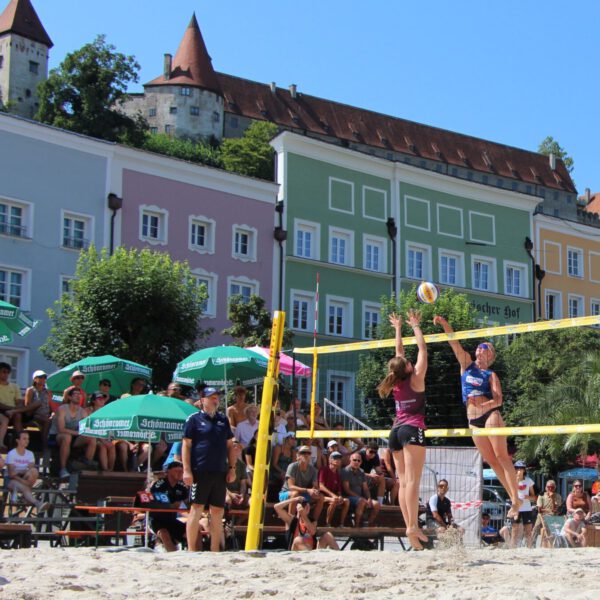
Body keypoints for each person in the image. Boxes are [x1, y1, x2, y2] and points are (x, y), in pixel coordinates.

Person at [433, 315, 521, 519]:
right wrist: (446, 324)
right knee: (491, 461)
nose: (480, 349)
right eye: (479, 346)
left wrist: (485, 407)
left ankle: (516, 499)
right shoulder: (467, 365)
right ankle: (513, 498)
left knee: (502, 457)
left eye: (485, 347)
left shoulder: (491, 375)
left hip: (491, 415)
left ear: (491, 356)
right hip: (473, 421)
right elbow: (454, 343)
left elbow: (498, 400)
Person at [377, 310, 428, 549]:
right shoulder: (415, 378)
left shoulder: (396, 379)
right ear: (407, 368)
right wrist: (416, 326)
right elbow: (422, 351)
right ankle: (412, 527)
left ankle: (411, 528)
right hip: (411, 429)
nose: (409, 361)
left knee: (403, 481)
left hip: (395, 432)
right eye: (408, 363)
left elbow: (399, 353)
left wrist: (398, 328)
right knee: (412, 482)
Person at [182, 387, 236, 552]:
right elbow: (186, 445)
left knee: (218, 510)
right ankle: (191, 550)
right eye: (211, 397)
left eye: (216, 397)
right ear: (202, 399)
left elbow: (230, 445)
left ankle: (215, 549)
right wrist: (187, 470)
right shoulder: (194, 419)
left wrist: (232, 468)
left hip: (219, 470)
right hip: (200, 470)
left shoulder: (223, 419)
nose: (215, 400)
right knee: (196, 508)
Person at [50, 387, 97, 478]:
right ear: (70, 397)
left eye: (79, 394)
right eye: (75, 394)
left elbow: (86, 428)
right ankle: (63, 469)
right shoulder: (62, 409)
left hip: (74, 437)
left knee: (91, 437)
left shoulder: (82, 411)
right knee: (67, 437)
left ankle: (87, 465)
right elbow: (61, 429)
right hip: (57, 436)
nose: (78, 396)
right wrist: (78, 433)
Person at [148, 461, 189, 552]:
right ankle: (172, 555)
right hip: (156, 520)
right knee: (164, 533)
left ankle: (196, 551)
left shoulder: (181, 487)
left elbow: (184, 504)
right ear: (169, 472)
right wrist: (172, 505)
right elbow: (158, 504)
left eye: (181, 471)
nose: (180, 473)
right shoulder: (159, 485)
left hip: (171, 519)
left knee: (192, 530)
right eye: (176, 471)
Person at [5, 431, 49, 513]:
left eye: (28, 439)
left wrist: (18, 471)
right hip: (11, 480)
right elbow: (11, 474)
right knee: (25, 487)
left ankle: (26, 497)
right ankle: (38, 504)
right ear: (18, 440)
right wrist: (24, 479)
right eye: (24, 439)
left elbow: (31, 470)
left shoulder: (30, 454)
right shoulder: (12, 454)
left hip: (24, 478)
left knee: (35, 471)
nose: (27, 441)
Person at [274, 496, 339, 550]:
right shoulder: (292, 520)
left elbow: (313, 531)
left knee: (328, 535)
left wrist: (303, 515)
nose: (307, 507)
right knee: (298, 539)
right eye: (304, 505)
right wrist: (294, 499)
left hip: (312, 549)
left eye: (308, 505)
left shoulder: (312, 521)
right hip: (296, 550)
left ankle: (338, 555)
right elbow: (276, 507)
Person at [279, 445, 324, 521]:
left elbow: (315, 486)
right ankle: (291, 522)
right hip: (286, 493)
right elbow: (291, 487)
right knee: (295, 494)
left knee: (321, 497)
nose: (306, 455)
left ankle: (313, 522)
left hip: (303, 493)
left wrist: (314, 490)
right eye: (303, 453)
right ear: (298, 455)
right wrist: (308, 490)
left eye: (308, 453)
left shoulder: (313, 470)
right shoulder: (292, 466)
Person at [341, 451, 380, 527]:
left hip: (360, 498)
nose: (356, 462)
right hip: (348, 497)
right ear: (350, 460)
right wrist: (361, 498)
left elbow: (365, 489)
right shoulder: (345, 471)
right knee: (362, 501)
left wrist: (369, 498)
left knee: (376, 504)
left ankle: (368, 524)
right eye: (354, 460)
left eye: (358, 460)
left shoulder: (361, 472)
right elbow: (347, 490)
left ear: (361, 462)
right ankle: (357, 526)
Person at [20, 370, 52, 452]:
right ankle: (44, 443)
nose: (43, 379)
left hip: (46, 415)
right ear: (35, 379)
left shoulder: (48, 391)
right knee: (47, 421)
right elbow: (27, 406)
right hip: (34, 415)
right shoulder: (31, 390)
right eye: (40, 377)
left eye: (44, 377)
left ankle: (52, 444)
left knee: (53, 420)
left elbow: (50, 405)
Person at [318, 451, 350, 526]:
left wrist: (340, 496)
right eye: (335, 458)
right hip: (321, 496)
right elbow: (321, 486)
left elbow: (338, 490)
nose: (338, 460)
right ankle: (327, 524)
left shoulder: (337, 474)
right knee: (334, 500)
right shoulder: (324, 470)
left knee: (346, 501)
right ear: (330, 460)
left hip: (332, 497)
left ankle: (341, 524)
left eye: (339, 458)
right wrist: (333, 495)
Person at [86, 392, 116, 471]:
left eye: (103, 398)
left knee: (111, 446)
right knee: (103, 447)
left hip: (104, 438)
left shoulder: (107, 412)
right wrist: (103, 440)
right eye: (99, 399)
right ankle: (105, 469)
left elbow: (111, 427)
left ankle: (111, 470)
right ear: (93, 401)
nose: (102, 400)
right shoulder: (88, 411)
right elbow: (88, 428)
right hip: (91, 437)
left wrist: (110, 439)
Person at [512, 461, 536, 547]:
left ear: (524, 469)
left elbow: (534, 497)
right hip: (516, 508)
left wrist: (528, 497)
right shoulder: (512, 480)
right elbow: (510, 492)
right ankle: (512, 549)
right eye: (517, 468)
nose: (519, 470)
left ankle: (529, 548)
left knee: (528, 530)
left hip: (526, 508)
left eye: (521, 468)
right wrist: (516, 481)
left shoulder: (529, 481)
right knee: (515, 529)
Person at [533, 479, 563, 546]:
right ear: (546, 487)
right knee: (536, 527)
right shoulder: (542, 496)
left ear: (554, 488)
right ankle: (532, 543)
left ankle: (556, 543)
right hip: (542, 515)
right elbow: (539, 510)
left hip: (554, 516)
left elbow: (556, 509)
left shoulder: (557, 496)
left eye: (552, 487)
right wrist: (549, 511)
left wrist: (552, 498)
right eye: (548, 487)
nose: (550, 488)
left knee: (559, 526)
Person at [0, 361, 21, 450]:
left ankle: (19, 442)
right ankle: (1, 443)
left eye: (8, 372)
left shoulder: (15, 386)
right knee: (4, 419)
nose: (6, 374)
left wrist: (14, 410)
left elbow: (19, 401)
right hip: (2, 411)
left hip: (12, 411)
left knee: (18, 415)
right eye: (4, 372)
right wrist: (12, 409)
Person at [226, 439, 249, 508]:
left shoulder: (242, 464)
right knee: (227, 500)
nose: (236, 448)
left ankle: (241, 519)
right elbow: (219, 484)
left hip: (238, 493)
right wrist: (231, 494)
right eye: (234, 446)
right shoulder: (222, 463)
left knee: (252, 501)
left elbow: (243, 484)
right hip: (225, 493)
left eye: (238, 447)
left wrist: (242, 494)